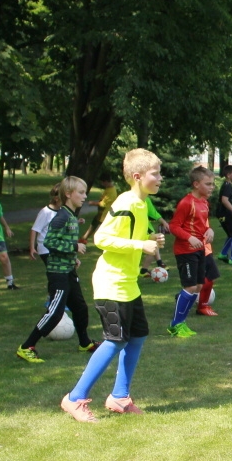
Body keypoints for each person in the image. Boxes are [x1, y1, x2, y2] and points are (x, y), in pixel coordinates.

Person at [60, 148, 165, 422]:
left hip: (128, 284)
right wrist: (140, 244)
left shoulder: (141, 205)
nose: (160, 178)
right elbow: (102, 239)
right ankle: (74, 398)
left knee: (138, 334)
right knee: (115, 340)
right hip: (111, 283)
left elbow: (128, 238)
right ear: (138, 176)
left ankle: (119, 397)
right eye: (156, 173)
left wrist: (148, 239)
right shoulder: (126, 202)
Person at [18, 176, 97, 362]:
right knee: (55, 312)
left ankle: (84, 342)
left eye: (85, 192)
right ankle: (26, 346)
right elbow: (49, 242)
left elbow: (63, 241)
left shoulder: (70, 216)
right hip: (58, 273)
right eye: (81, 192)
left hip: (68, 270)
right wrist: (74, 247)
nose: (85, 196)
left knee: (80, 308)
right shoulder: (61, 216)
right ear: (68, 194)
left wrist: (73, 258)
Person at [167, 166, 220, 337]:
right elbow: (173, 226)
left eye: (213, 184)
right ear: (196, 184)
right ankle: (176, 325)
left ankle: (182, 321)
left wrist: (209, 230)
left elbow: (203, 223)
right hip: (185, 250)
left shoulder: (204, 201)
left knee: (198, 285)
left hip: (200, 249)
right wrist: (189, 238)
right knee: (190, 286)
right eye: (208, 184)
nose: (212, 187)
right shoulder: (186, 203)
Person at [29, 183, 61, 267]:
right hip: (45, 248)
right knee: (55, 272)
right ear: (56, 198)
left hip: (56, 247)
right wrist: (32, 248)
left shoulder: (61, 211)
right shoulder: (45, 212)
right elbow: (34, 229)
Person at [82, 172, 118, 242]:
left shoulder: (112, 192)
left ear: (107, 181)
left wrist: (92, 203)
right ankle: (84, 239)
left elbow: (103, 204)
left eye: (103, 182)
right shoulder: (108, 189)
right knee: (93, 225)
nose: (102, 184)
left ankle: (89, 240)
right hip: (101, 213)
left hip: (105, 214)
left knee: (99, 229)